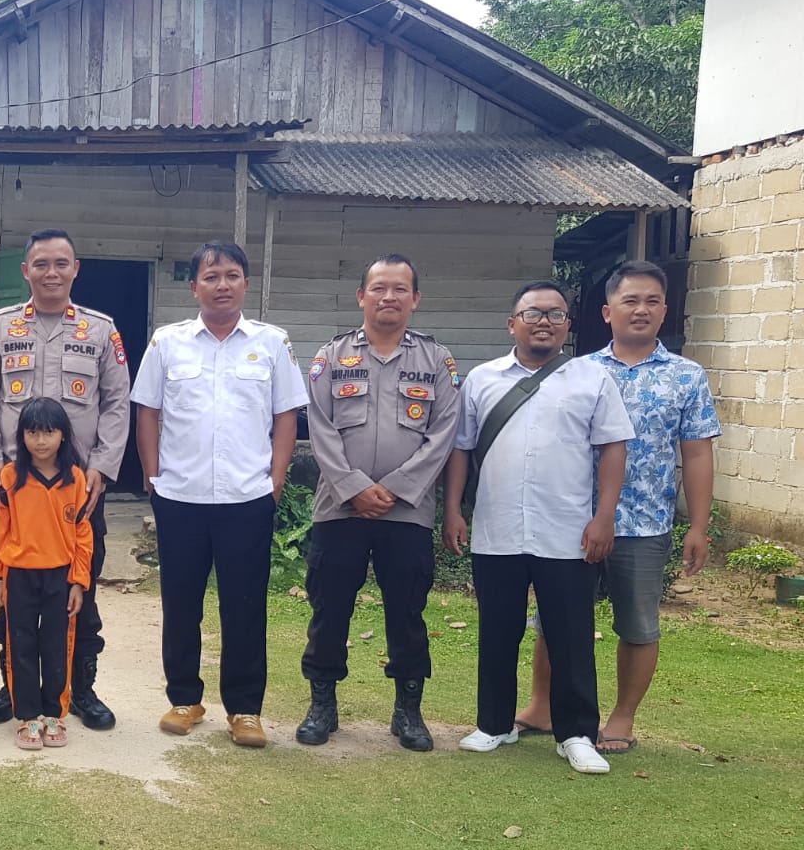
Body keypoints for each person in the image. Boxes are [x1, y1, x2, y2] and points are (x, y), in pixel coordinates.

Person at [514, 260, 720, 753]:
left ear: (665, 311)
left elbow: (696, 453)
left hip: (645, 523)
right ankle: (541, 706)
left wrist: (699, 526)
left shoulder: (686, 376)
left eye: (652, 301)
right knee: (556, 620)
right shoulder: (577, 371)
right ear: (608, 311)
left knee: (638, 624)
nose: (641, 310)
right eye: (630, 301)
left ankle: (622, 718)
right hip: (575, 519)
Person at [444, 281, 634, 775]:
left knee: (571, 636)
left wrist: (605, 517)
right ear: (512, 324)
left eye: (555, 314)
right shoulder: (482, 380)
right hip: (498, 528)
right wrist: (453, 510)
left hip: (567, 531)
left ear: (568, 325)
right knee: (498, 631)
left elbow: (613, 448)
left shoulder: (592, 378)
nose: (544, 322)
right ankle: (493, 724)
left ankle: (577, 735)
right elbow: (461, 448)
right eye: (533, 313)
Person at [131, 240, 307, 749]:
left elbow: (286, 415)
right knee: (180, 602)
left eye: (231, 275)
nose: (222, 285)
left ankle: (245, 709)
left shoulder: (272, 343)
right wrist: (152, 475)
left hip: (247, 498)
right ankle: (184, 699)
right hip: (180, 496)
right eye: (211, 277)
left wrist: (275, 479)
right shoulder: (167, 343)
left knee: (245, 605)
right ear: (194, 287)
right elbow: (147, 410)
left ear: (246, 283)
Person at [296, 255, 462, 752]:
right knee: (329, 608)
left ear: (416, 299)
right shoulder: (332, 356)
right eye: (379, 288)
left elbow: (443, 433)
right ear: (361, 296)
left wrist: (396, 488)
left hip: (407, 511)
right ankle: (322, 704)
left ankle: (408, 710)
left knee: (407, 611)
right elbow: (319, 426)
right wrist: (354, 488)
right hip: (339, 507)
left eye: (400, 289)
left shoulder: (436, 361)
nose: (389, 297)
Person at [0, 228, 129, 730]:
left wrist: (101, 467)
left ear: (76, 269)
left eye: (62, 263)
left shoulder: (101, 331)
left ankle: (80, 689)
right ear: (26, 271)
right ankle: (13, 688)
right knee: (14, 592)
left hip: (77, 488)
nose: (51, 273)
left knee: (79, 588)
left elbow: (117, 403)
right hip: (12, 488)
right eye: (41, 264)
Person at [0, 399, 94, 751]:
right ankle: (28, 717)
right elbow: (1, 529)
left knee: (56, 646)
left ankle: (54, 714)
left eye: (49, 432)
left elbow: (83, 534)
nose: (41, 441)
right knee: (21, 646)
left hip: (59, 578)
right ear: (21, 436)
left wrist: (79, 581)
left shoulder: (75, 479)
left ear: (63, 435)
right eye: (32, 432)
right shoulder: (10, 478)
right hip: (19, 576)